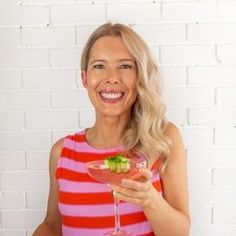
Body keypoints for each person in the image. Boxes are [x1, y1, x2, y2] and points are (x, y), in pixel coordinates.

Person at [33, 22, 190, 236]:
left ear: (139, 77)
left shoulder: (162, 138)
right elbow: (52, 226)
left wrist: (149, 199)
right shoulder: (62, 153)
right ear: (85, 78)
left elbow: (180, 232)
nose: (111, 78)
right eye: (99, 66)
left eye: (125, 66)